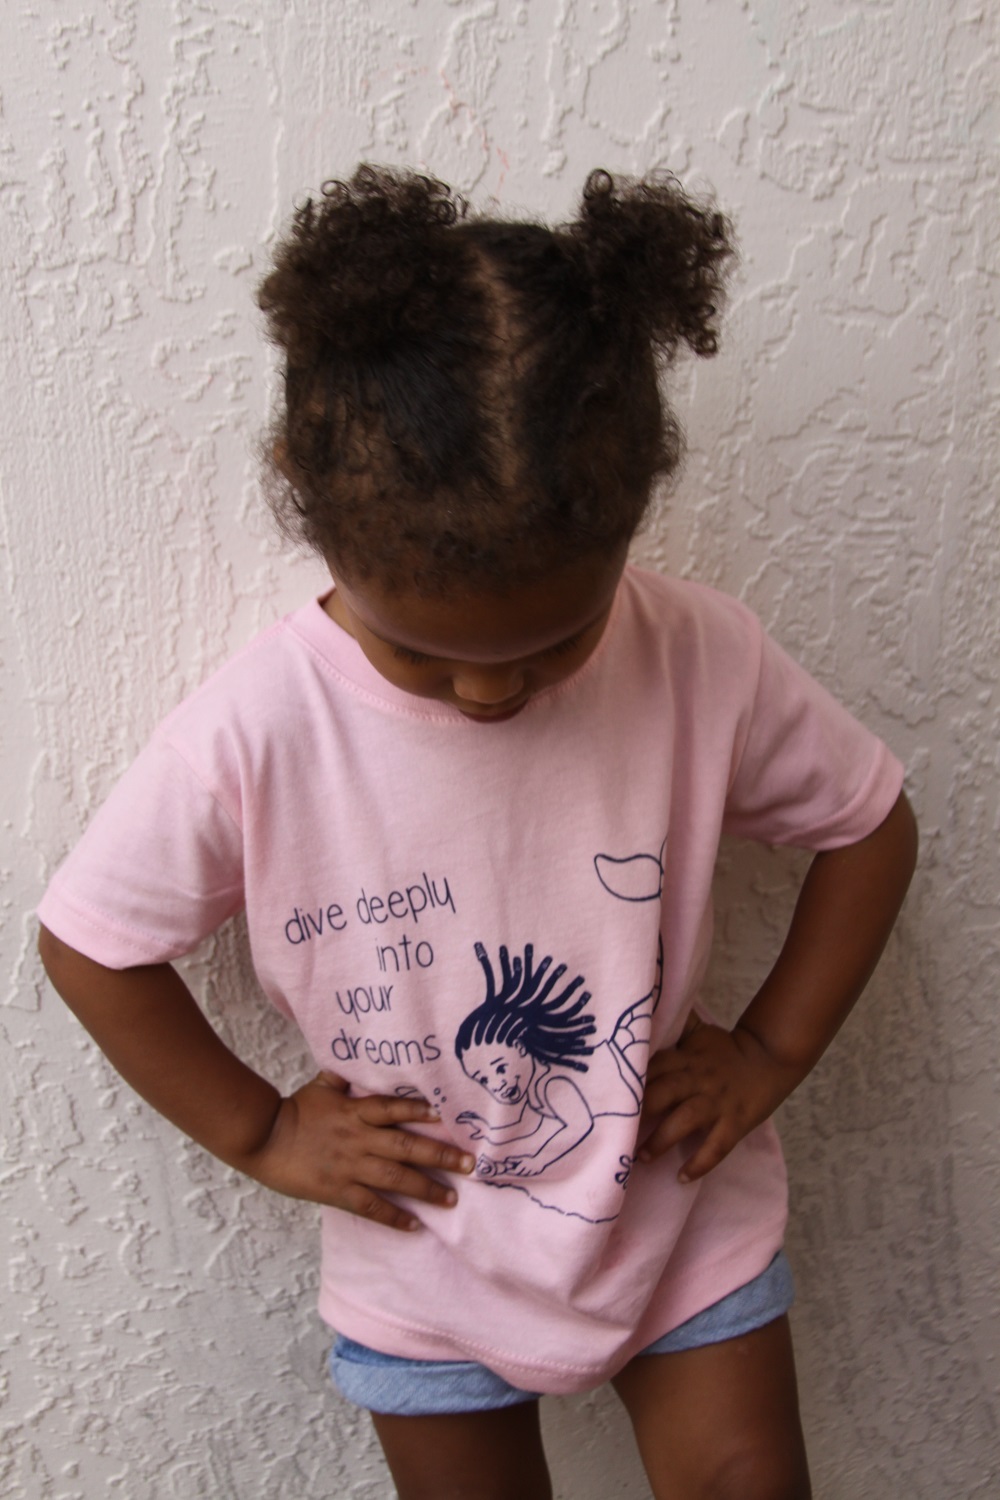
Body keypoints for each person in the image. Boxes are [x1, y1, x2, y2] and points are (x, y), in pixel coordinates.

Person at [37, 164, 917, 1500]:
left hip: (676, 1213)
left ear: (628, 529)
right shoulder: (257, 732)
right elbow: (92, 943)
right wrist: (263, 1134)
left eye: (556, 643)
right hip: (425, 1247)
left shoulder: (699, 656)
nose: (491, 693)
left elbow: (868, 825)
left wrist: (768, 1052)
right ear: (319, 525)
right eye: (423, 655)